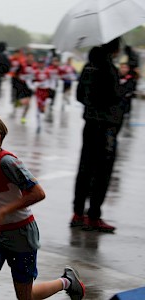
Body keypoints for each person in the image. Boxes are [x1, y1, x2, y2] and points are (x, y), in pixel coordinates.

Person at [0, 113, 85, 300]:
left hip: (21, 235)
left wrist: (3, 212)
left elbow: (38, 193)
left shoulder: (7, 162)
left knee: (26, 297)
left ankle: (67, 281)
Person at [72, 38, 125, 232]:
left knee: (85, 168)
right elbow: (114, 96)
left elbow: (79, 95)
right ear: (115, 49)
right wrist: (126, 86)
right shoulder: (108, 68)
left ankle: (78, 213)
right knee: (103, 171)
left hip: (90, 124)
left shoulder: (89, 66)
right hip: (107, 127)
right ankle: (93, 215)